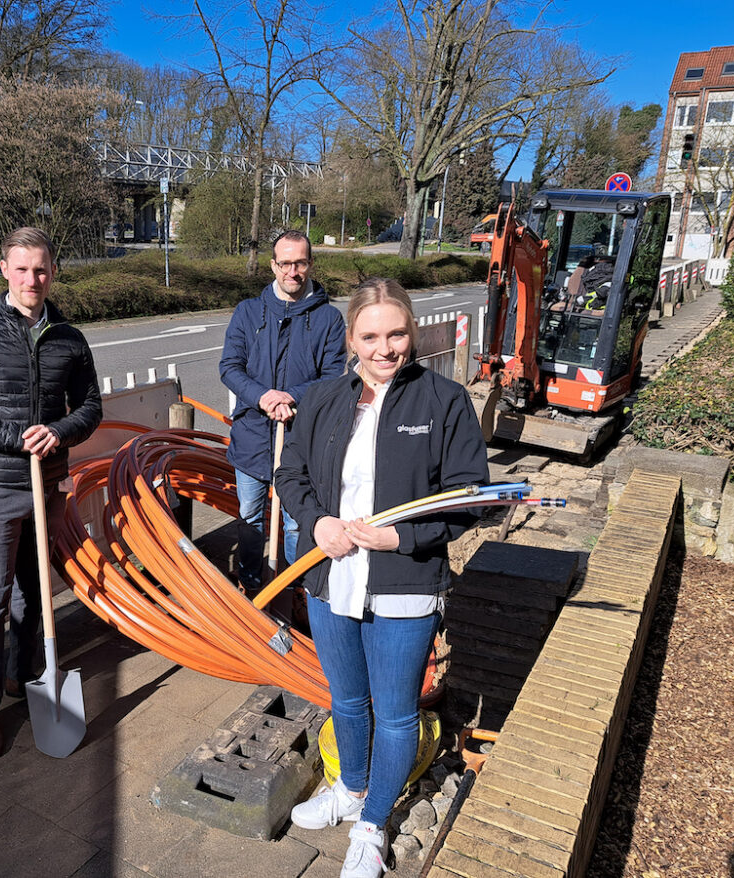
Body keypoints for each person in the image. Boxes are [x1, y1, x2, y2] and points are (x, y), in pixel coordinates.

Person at [276, 278, 488, 877]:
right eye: (370, 336)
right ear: (351, 339)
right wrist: (316, 524)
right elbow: (290, 474)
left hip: (405, 581)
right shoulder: (320, 400)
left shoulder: (443, 402)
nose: (384, 348)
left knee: (395, 714)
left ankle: (372, 825)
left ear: (412, 334)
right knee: (345, 699)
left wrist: (404, 537)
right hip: (331, 580)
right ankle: (351, 788)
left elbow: (469, 496)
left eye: (396, 334)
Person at [0, 227, 102, 758]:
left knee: (35, 594)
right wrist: (16, 439)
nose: (33, 278)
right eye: (23, 269)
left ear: (54, 271)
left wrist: (60, 432)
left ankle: (19, 674)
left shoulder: (70, 339)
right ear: (4, 269)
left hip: (47, 489)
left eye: (42, 269)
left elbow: (90, 407)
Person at [219, 229, 346, 595]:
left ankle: (293, 590)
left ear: (310, 264)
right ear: (273, 266)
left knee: (295, 522)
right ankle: (251, 586)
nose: (293, 271)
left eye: (300, 263)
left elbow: (332, 377)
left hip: (302, 441)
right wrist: (263, 398)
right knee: (249, 518)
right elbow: (230, 367)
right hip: (253, 437)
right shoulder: (248, 312)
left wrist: (291, 397)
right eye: (285, 263)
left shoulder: (328, 320)